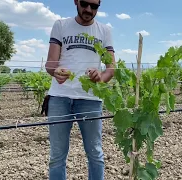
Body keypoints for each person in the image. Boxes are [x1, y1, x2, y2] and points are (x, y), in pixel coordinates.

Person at [44, 0, 115, 179]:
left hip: (90, 100)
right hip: (59, 98)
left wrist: (100, 77)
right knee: (57, 156)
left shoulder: (104, 31)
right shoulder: (60, 25)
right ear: (76, 1)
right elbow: (50, 64)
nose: (89, 10)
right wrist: (55, 71)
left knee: (95, 154)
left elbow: (111, 68)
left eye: (94, 6)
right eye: (84, 4)